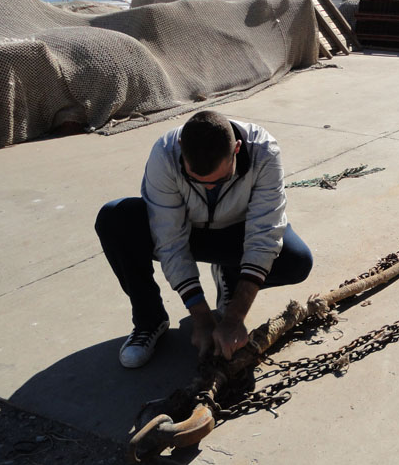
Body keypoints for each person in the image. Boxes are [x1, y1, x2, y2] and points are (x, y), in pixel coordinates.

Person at [95, 110, 313, 368]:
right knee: (115, 219)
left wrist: (234, 318)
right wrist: (201, 317)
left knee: (296, 260)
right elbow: (170, 239)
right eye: (195, 180)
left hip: (238, 233)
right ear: (180, 150)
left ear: (237, 149)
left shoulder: (263, 151)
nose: (210, 187)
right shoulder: (164, 153)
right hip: (190, 233)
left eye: (220, 180)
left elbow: (264, 235)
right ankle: (149, 319)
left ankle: (230, 279)